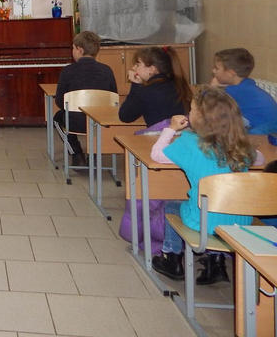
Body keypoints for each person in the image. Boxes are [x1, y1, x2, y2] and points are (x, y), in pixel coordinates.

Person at [149, 86, 264, 284]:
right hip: (240, 223)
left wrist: (171, 129)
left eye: (192, 109)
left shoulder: (189, 143)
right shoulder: (240, 146)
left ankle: (172, 258)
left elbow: (157, 154)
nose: (189, 112)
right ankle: (216, 264)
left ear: (201, 119)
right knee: (217, 209)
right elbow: (260, 159)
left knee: (171, 206)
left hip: (203, 223)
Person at [54, 31, 117, 167]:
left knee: (57, 118)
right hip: (100, 122)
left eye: (73, 48)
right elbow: (114, 99)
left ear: (80, 50)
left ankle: (76, 153)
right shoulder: (107, 70)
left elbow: (59, 101)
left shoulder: (68, 71)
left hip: (76, 122)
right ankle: (94, 153)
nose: (72, 51)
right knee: (98, 120)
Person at [118, 46, 192, 127]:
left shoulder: (146, 92)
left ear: (152, 69)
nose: (133, 68)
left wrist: (135, 85)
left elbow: (125, 116)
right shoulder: (178, 85)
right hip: (183, 133)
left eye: (138, 64)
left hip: (161, 134)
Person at [210, 48, 277, 135]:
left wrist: (212, 88)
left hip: (263, 134)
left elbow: (207, 105)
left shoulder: (234, 92)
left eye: (216, 68)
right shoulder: (247, 85)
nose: (213, 71)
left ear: (230, 73)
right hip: (269, 127)